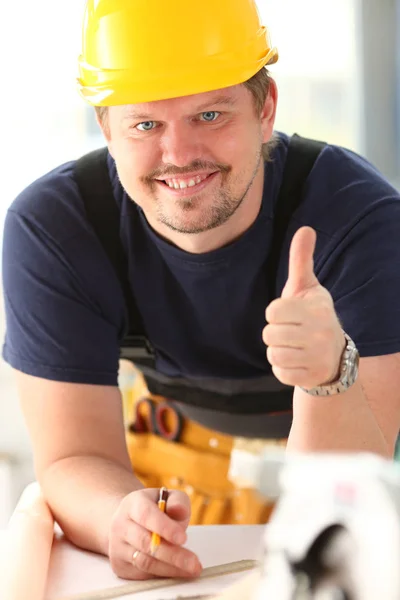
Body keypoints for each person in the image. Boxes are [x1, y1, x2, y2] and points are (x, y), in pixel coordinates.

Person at [2, 0, 400, 583]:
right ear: (106, 127)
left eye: (210, 115)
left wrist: (327, 372)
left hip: (327, 460)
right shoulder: (59, 228)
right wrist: (121, 517)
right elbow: (72, 455)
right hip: (167, 469)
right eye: (145, 124)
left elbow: (344, 497)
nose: (180, 154)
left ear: (265, 110)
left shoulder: (362, 221)